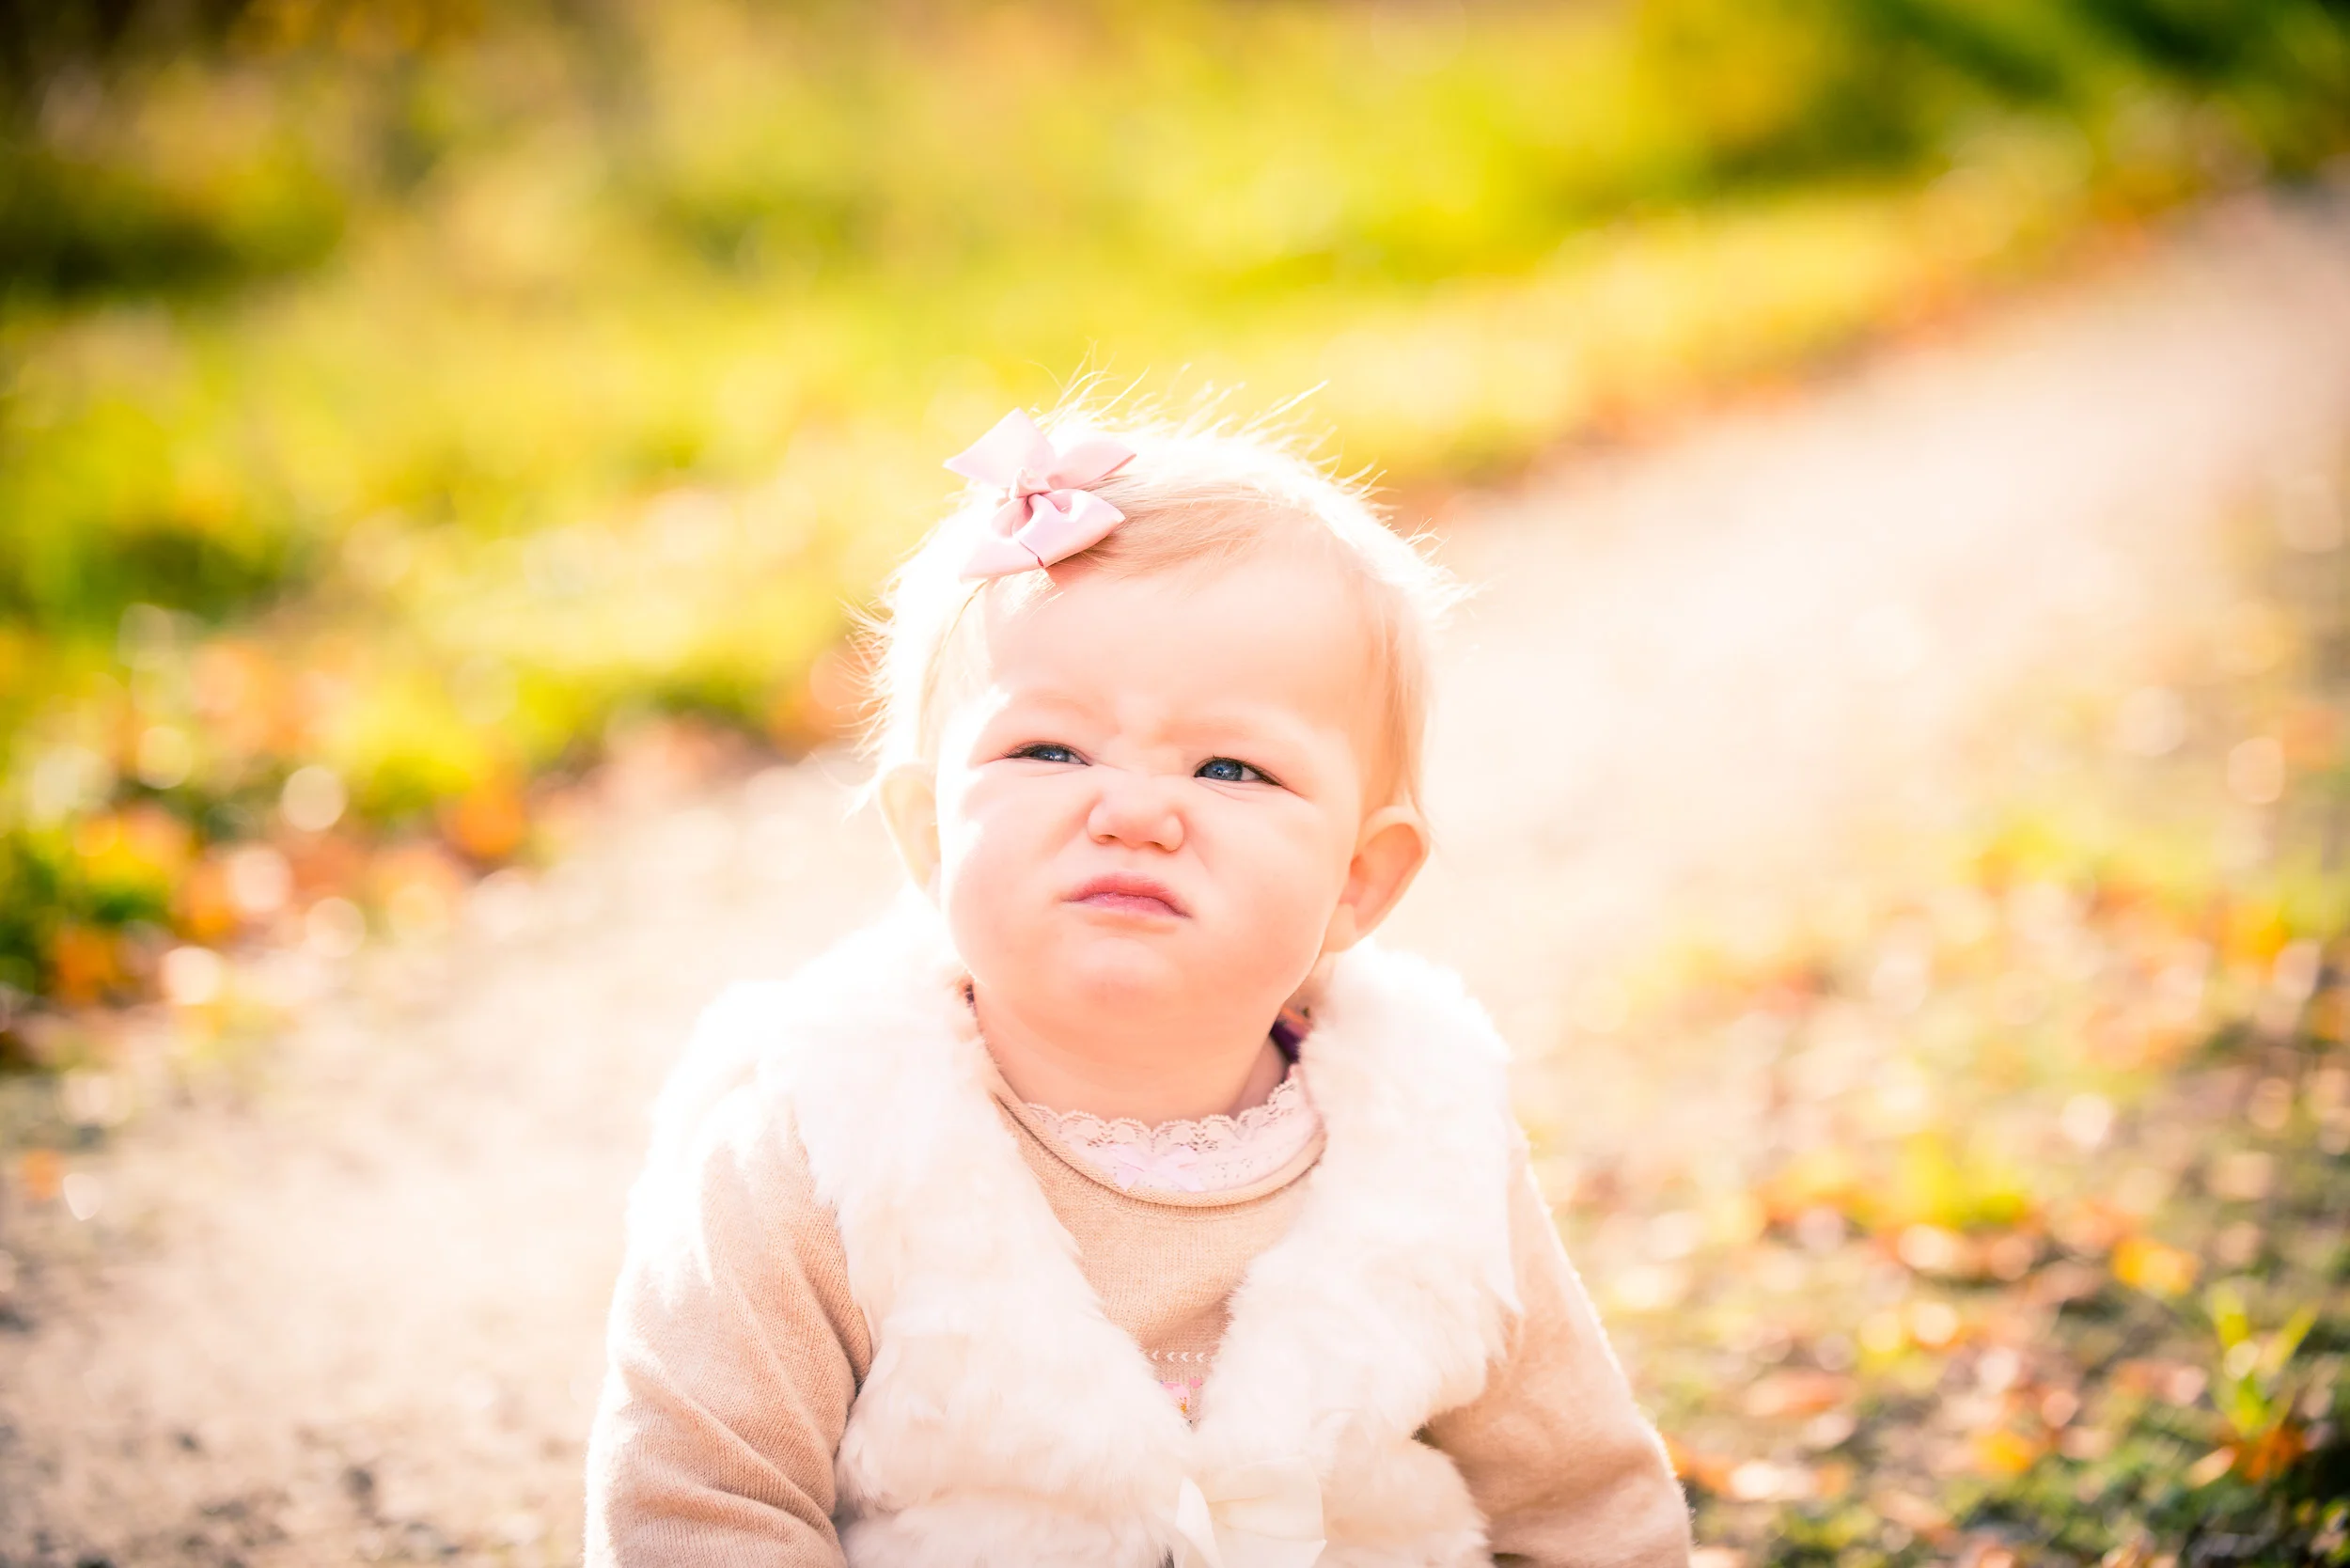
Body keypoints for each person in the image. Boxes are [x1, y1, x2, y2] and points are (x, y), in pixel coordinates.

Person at [584, 402, 1692, 1566]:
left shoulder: (1426, 1143)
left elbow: (1580, 1499)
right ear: (928, 835)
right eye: (1049, 752)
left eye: (1231, 767)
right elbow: (702, 1506)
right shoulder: (814, 1145)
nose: (1134, 812)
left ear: (1359, 880)